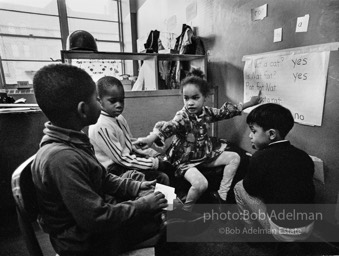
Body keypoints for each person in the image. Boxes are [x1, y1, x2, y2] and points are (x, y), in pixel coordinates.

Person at [31, 64, 169, 256]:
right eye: (97, 99)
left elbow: (103, 178)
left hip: (91, 222)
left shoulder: (72, 141)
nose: (101, 104)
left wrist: (136, 188)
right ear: (82, 109)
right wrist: (144, 205)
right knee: (162, 220)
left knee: (161, 202)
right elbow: (97, 218)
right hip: (82, 242)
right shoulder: (62, 159)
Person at [133, 69, 262, 213]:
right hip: (185, 160)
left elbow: (225, 112)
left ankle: (221, 195)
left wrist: (250, 103)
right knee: (201, 184)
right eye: (186, 98)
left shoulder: (207, 112)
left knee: (235, 157)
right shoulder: (182, 116)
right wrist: (150, 139)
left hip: (204, 154)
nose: (190, 103)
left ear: (205, 97)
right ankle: (186, 211)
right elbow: (170, 126)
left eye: (195, 97)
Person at [234, 103, 315, 242]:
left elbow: (250, 189)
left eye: (253, 131)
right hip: (308, 226)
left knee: (239, 187)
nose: (249, 136)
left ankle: (252, 234)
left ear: (271, 134)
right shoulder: (304, 155)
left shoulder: (259, 157)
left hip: (283, 230)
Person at [88, 76, 170, 185]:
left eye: (121, 100)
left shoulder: (118, 118)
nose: (119, 105)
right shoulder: (101, 125)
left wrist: (153, 155)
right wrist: (154, 163)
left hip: (125, 163)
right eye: (113, 101)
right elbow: (121, 159)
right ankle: (166, 201)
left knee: (167, 165)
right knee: (161, 177)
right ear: (99, 101)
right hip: (114, 172)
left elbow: (130, 145)